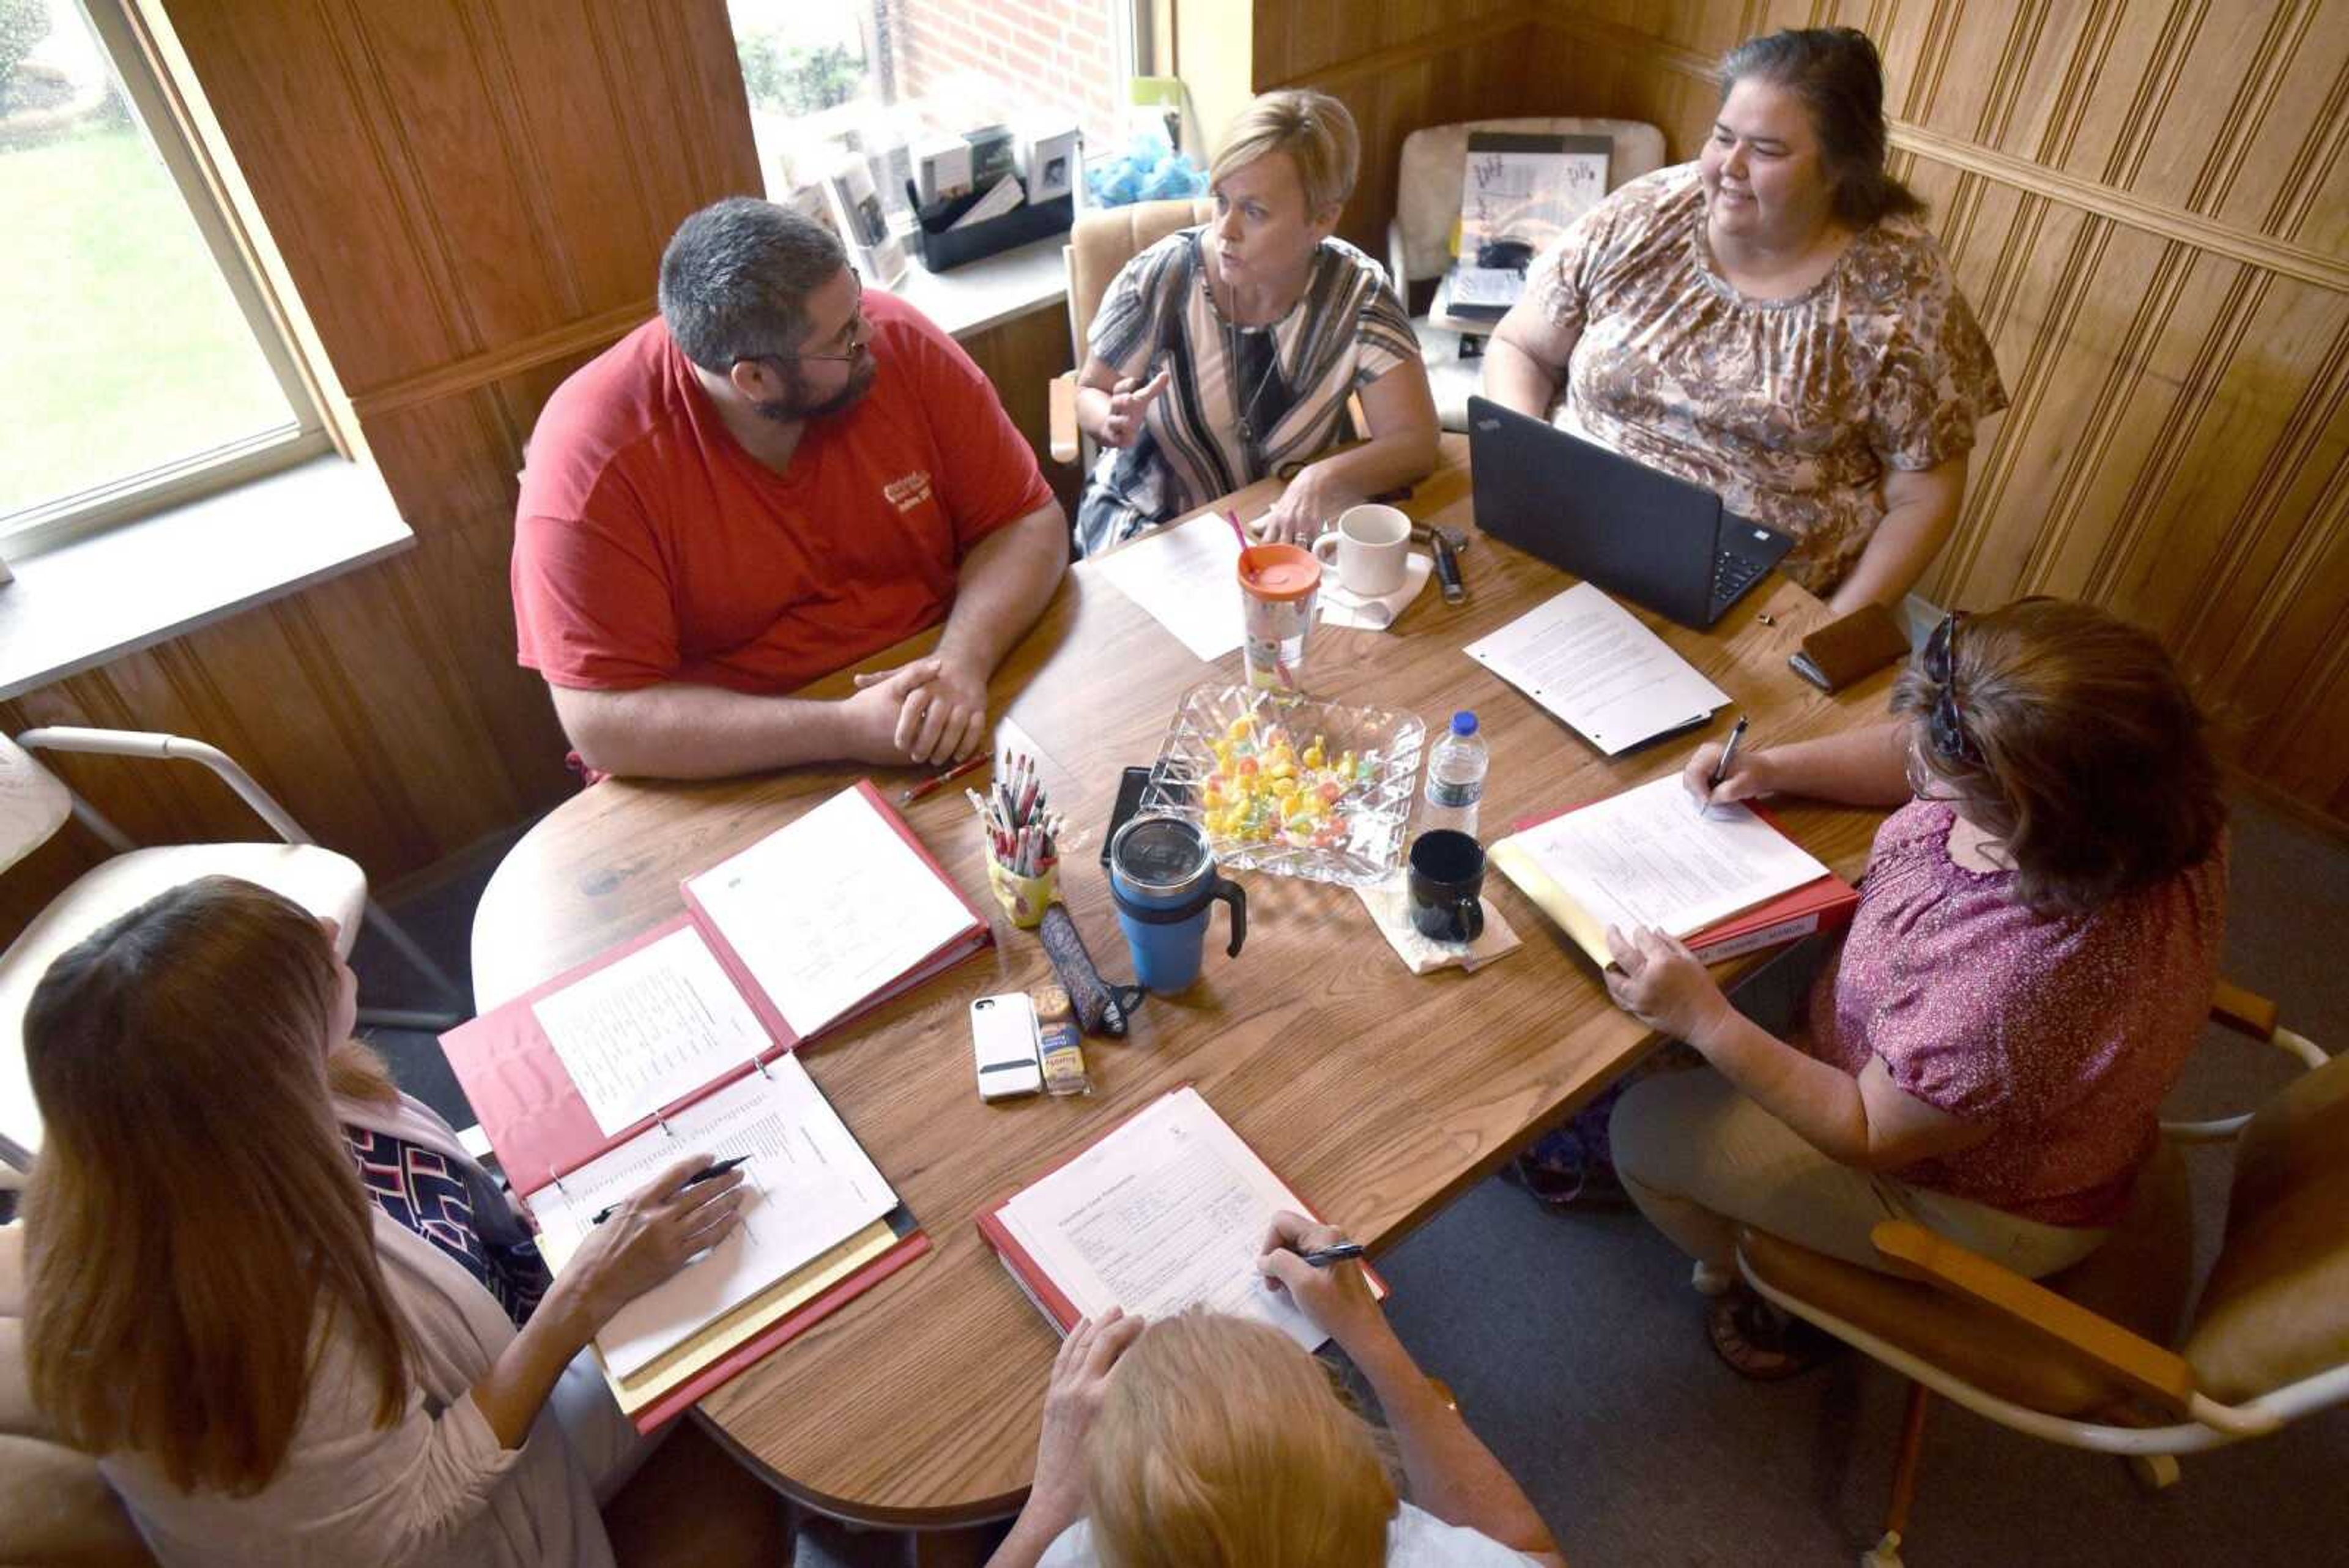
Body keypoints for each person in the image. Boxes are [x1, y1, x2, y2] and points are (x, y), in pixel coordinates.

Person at [16, 876, 748, 1564]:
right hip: (486, 1504)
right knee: (750, 1295)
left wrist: (519, 1225)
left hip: (501, 1344)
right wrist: (583, 1292)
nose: (330, 927)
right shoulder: (252, 1318)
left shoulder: (191, 1137)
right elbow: (409, 1522)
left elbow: (421, 1226)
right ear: (266, 1062)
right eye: (298, 963)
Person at [1600, 599, 2227, 1378]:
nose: (1916, 766)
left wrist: (1705, 1021)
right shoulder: (2145, 791)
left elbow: (1867, 1127)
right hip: (1926, 1063)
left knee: (1641, 1131)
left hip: (1959, 1193)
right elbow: (1919, 749)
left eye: (1937, 771)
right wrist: (1775, 767)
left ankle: (1793, 1297)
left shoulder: (2020, 982)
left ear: (2028, 815)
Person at [513, 197, 1070, 781]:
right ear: (753, 379)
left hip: (941, 685)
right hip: (737, 760)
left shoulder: (897, 341)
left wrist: (962, 661)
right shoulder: (593, 460)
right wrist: (846, 728)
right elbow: (603, 722)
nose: (872, 334)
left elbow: (1027, 519)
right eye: (846, 338)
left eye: (856, 304)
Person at [1480, 27, 2007, 612]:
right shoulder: (1647, 212)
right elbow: (1521, 347)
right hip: (1570, 522)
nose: (1730, 167)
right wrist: (1529, 470)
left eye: (1767, 150)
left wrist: (1829, 631)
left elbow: (1924, 495)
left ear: (1838, 168)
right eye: (1723, 137)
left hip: (1757, 597)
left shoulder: (1899, 285)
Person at [984, 1212, 1568, 1567]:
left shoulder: (1071, 1554)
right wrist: (1373, 1343)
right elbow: (1533, 1554)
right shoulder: (1415, 1549)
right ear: (1382, 1497)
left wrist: (1049, 1504)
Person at [1075, 89, 1439, 555]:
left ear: (1322, 220)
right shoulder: (1161, 277)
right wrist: (1110, 419)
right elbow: (1089, 390)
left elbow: (1417, 441)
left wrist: (1320, 478)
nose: (1225, 229)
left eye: (1253, 211)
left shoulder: (1357, 296)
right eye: (1221, 200)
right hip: (1154, 523)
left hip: (1279, 517)